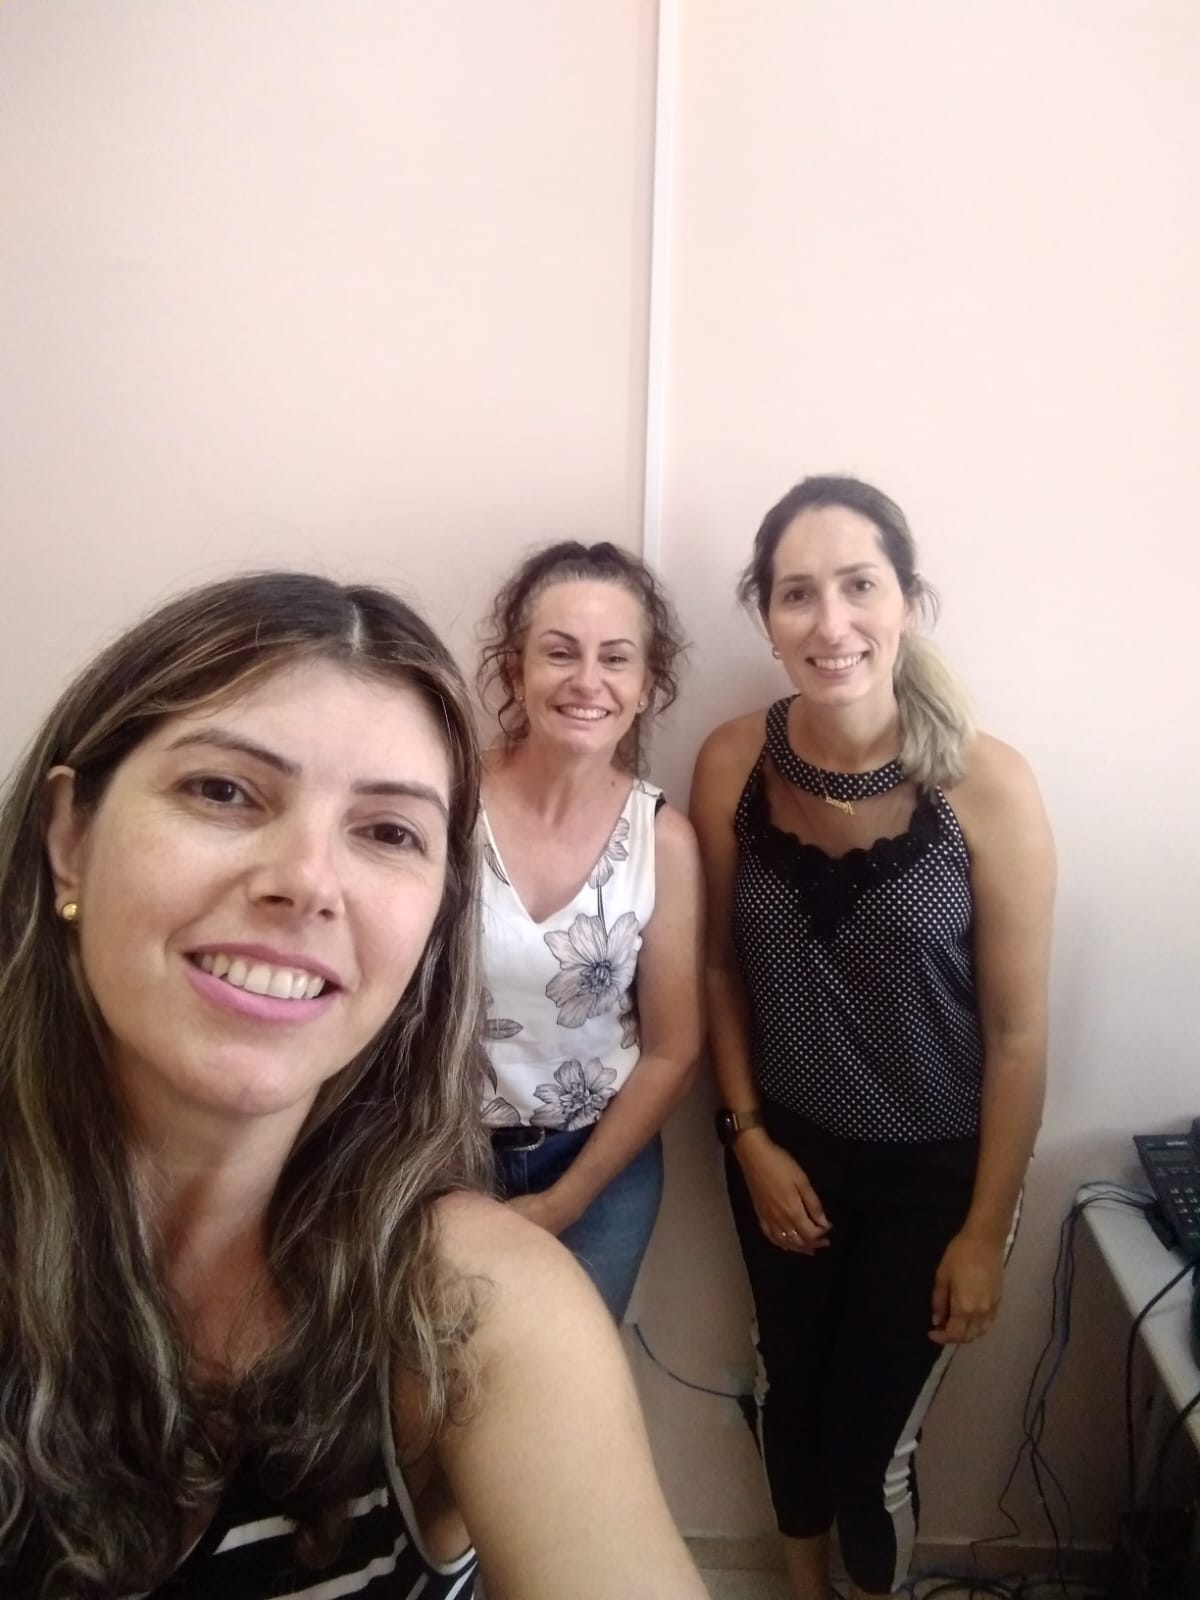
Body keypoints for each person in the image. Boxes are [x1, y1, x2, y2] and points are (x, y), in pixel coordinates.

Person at [0, 571, 709, 1600]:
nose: (306, 880)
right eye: (223, 790)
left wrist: (563, 1201)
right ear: (71, 838)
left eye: (387, 831)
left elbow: (672, 1041)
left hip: (581, 1156)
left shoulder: (473, 1309)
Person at [690, 478, 1055, 1600]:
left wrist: (983, 1231)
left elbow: (1017, 1034)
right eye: (797, 593)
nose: (831, 622)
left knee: (869, 1451)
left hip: (936, 1176)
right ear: (766, 615)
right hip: (785, 1152)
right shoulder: (731, 762)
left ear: (907, 600)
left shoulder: (985, 784)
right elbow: (715, 966)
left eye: (859, 586)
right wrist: (749, 1137)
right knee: (788, 1395)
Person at [475, 541, 704, 1320]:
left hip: (602, 1174)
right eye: (559, 652)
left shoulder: (663, 841)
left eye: (615, 658)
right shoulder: (441, 802)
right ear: (516, 672)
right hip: (439, 1157)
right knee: (435, 1379)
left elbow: (673, 1049)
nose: (586, 680)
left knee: (569, 1385)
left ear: (645, 687)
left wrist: (566, 1200)